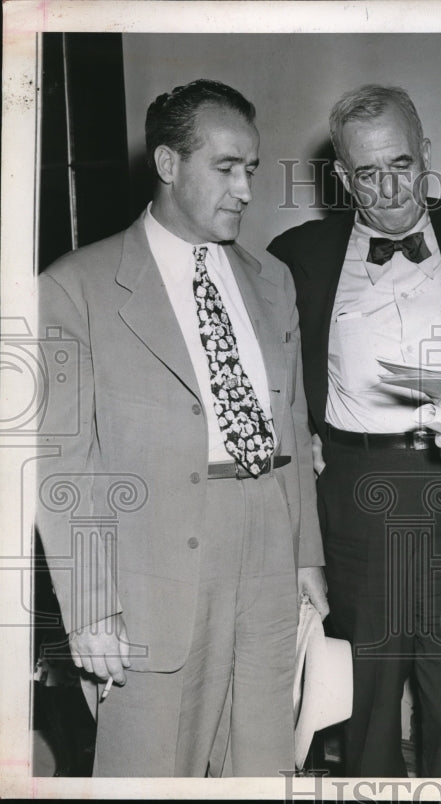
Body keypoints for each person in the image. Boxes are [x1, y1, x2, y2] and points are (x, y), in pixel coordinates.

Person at [35, 78, 328, 777]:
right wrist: (91, 607)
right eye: (225, 168)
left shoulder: (272, 280)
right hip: (151, 563)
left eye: (250, 168)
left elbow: (292, 422)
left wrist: (306, 557)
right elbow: (62, 461)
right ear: (169, 165)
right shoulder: (76, 286)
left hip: (266, 543)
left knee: (264, 760)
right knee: (150, 767)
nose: (246, 189)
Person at [267, 84, 441, 777]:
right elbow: (274, 377)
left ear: (425, 152)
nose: (389, 187)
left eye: (400, 164)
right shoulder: (298, 255)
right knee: (364, 702)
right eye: (368, 173)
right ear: (343, 177)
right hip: (356, 495)